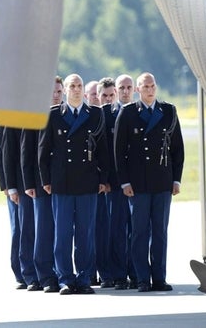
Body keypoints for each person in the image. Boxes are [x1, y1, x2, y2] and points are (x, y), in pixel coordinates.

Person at [39, 74, 110, 295]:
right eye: (72, 86)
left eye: (79, 85)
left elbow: (103, 151)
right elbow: (43, 151)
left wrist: (103, 179)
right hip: (62, 183)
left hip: (88, 182)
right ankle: (65, 279)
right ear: (66, 90)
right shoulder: (52, 115)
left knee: (85, 234)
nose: (77, 89)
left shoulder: (95, 114)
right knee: (62, 234)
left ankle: (84, 278)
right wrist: (46, 180)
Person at [114, 72, 184, 292]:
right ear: (138, 89)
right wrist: (124, 182)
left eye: (153, 86)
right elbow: (119, 151)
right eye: (145, 87)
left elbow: (177, 149)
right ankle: (142, 278)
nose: (150, 90)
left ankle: (159, 278)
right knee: (140, 233)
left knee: (160, 231)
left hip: (162, 181)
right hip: (138, 184)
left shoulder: (168, 111)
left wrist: (176, 179)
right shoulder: (128, 113)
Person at [20, 76, 63, 293]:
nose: (56, 95)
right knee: (43, 231)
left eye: (58, 91)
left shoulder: (66, 115)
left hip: (66, 184)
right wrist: (28, 183)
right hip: (40, 184)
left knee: (62, 233)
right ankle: (45, 276)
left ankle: (62, 272)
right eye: (52, 91)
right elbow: (26, 152)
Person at [110, 73, 137, 289]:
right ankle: (119, 274)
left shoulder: (140, 113)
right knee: (117, 229)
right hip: (114, 183)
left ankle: (136, 272)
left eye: (129, 87)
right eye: (122, 87)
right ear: (116, 90)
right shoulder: (104, 114)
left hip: (137, 182)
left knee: (137, 230)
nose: (125, 91)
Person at [3, 126, 38, 291]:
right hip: (21, 183)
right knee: (23, 230)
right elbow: (5, 152)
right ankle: (24, 273)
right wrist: (9, 186)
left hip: (43, 183)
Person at [92, 77, 116, 288]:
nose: (108, 100)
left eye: (111, 95)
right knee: (94, 231)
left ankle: (109, 273)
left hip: (112, 183)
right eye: (104, 96)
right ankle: (93, 272)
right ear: (97, 97)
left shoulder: (119, 116)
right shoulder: (93, 117)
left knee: (108, 230)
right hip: (96, 183)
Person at [0, 124, 24, 289]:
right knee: (19, 228)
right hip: (16, 183)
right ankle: (20, 271)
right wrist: (7, 185)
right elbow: (3, 151)